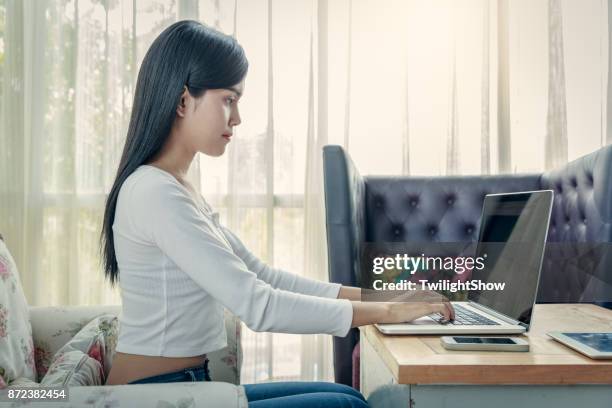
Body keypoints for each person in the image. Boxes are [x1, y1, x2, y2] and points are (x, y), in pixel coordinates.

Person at [100, 20, 454, 408]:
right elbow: (259, 305)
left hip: (187, 386)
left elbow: (262, 276)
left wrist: (389, 297)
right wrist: (385, 313)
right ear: (184, 101)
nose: (237, 118)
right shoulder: (155, 193)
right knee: (347, 407)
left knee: (346, 396)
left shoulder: (176, 189)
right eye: (229, 99)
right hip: (156, 396)